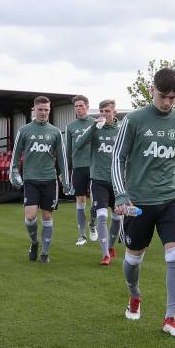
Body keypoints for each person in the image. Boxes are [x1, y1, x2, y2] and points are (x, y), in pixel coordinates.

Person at [112, 67, 175, 337]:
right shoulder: (134, 120)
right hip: (138, 202)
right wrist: (122, 194)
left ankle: (170, 318)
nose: (168, 102)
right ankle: (134, 294)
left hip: (171, 199)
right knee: (133, 259)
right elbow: (118, 158)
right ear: (152, 91)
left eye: (173, 97)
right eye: (163, 96)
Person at [9, 96, 70, 263]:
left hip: (49, 180)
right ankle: (34, 242)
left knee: (47, 217)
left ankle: (45, 252)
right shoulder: (24, 130)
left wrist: (66, 179)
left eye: (46, 110)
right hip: (30, 179)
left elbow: (62, 159)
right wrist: (13, 173)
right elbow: (15, 156)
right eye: (40, 109)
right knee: (30, 216)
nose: (43, 112)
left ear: (49, 111)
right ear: (34, 110)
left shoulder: (55, 131)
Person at [74, 99, 122, 265]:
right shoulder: (94, 129)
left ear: (114, 113)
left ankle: (110, 247)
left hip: (117, 181)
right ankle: (105, 255)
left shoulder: (121, 130)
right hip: (98, 180)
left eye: (107, 111)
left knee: (117, 217)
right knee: (102, 216)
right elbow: (78, 144)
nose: (103, 115)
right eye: (101, 111)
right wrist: (94, 126)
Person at [66, 95, 97, 246]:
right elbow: (68, 150)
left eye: (81, 105)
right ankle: (82, 235)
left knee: (96, 199)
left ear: (87, 106)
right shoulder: (71, 126)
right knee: (80, 200)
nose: (78, 108)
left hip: (94, 166)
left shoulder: (95, 123)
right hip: (78, 167)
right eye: (76, 106)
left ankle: (92, 224)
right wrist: (65, 170)